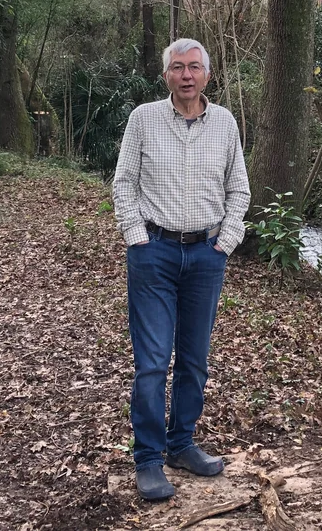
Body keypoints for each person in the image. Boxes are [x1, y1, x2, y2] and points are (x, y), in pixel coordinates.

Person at [112, 38, 251, 501]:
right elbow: (124, 183)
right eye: (177, 67)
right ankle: (148, 459)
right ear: (166, 75)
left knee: (194, 360)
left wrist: (225, 243)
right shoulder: (143, 119)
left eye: (194, 67)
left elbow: (239, 189)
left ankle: (181, 443)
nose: (186, 75)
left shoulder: (225, 123)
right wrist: (137, 236)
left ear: (207, 74)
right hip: (154, 252)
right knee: (153, 362)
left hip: (206, 256)